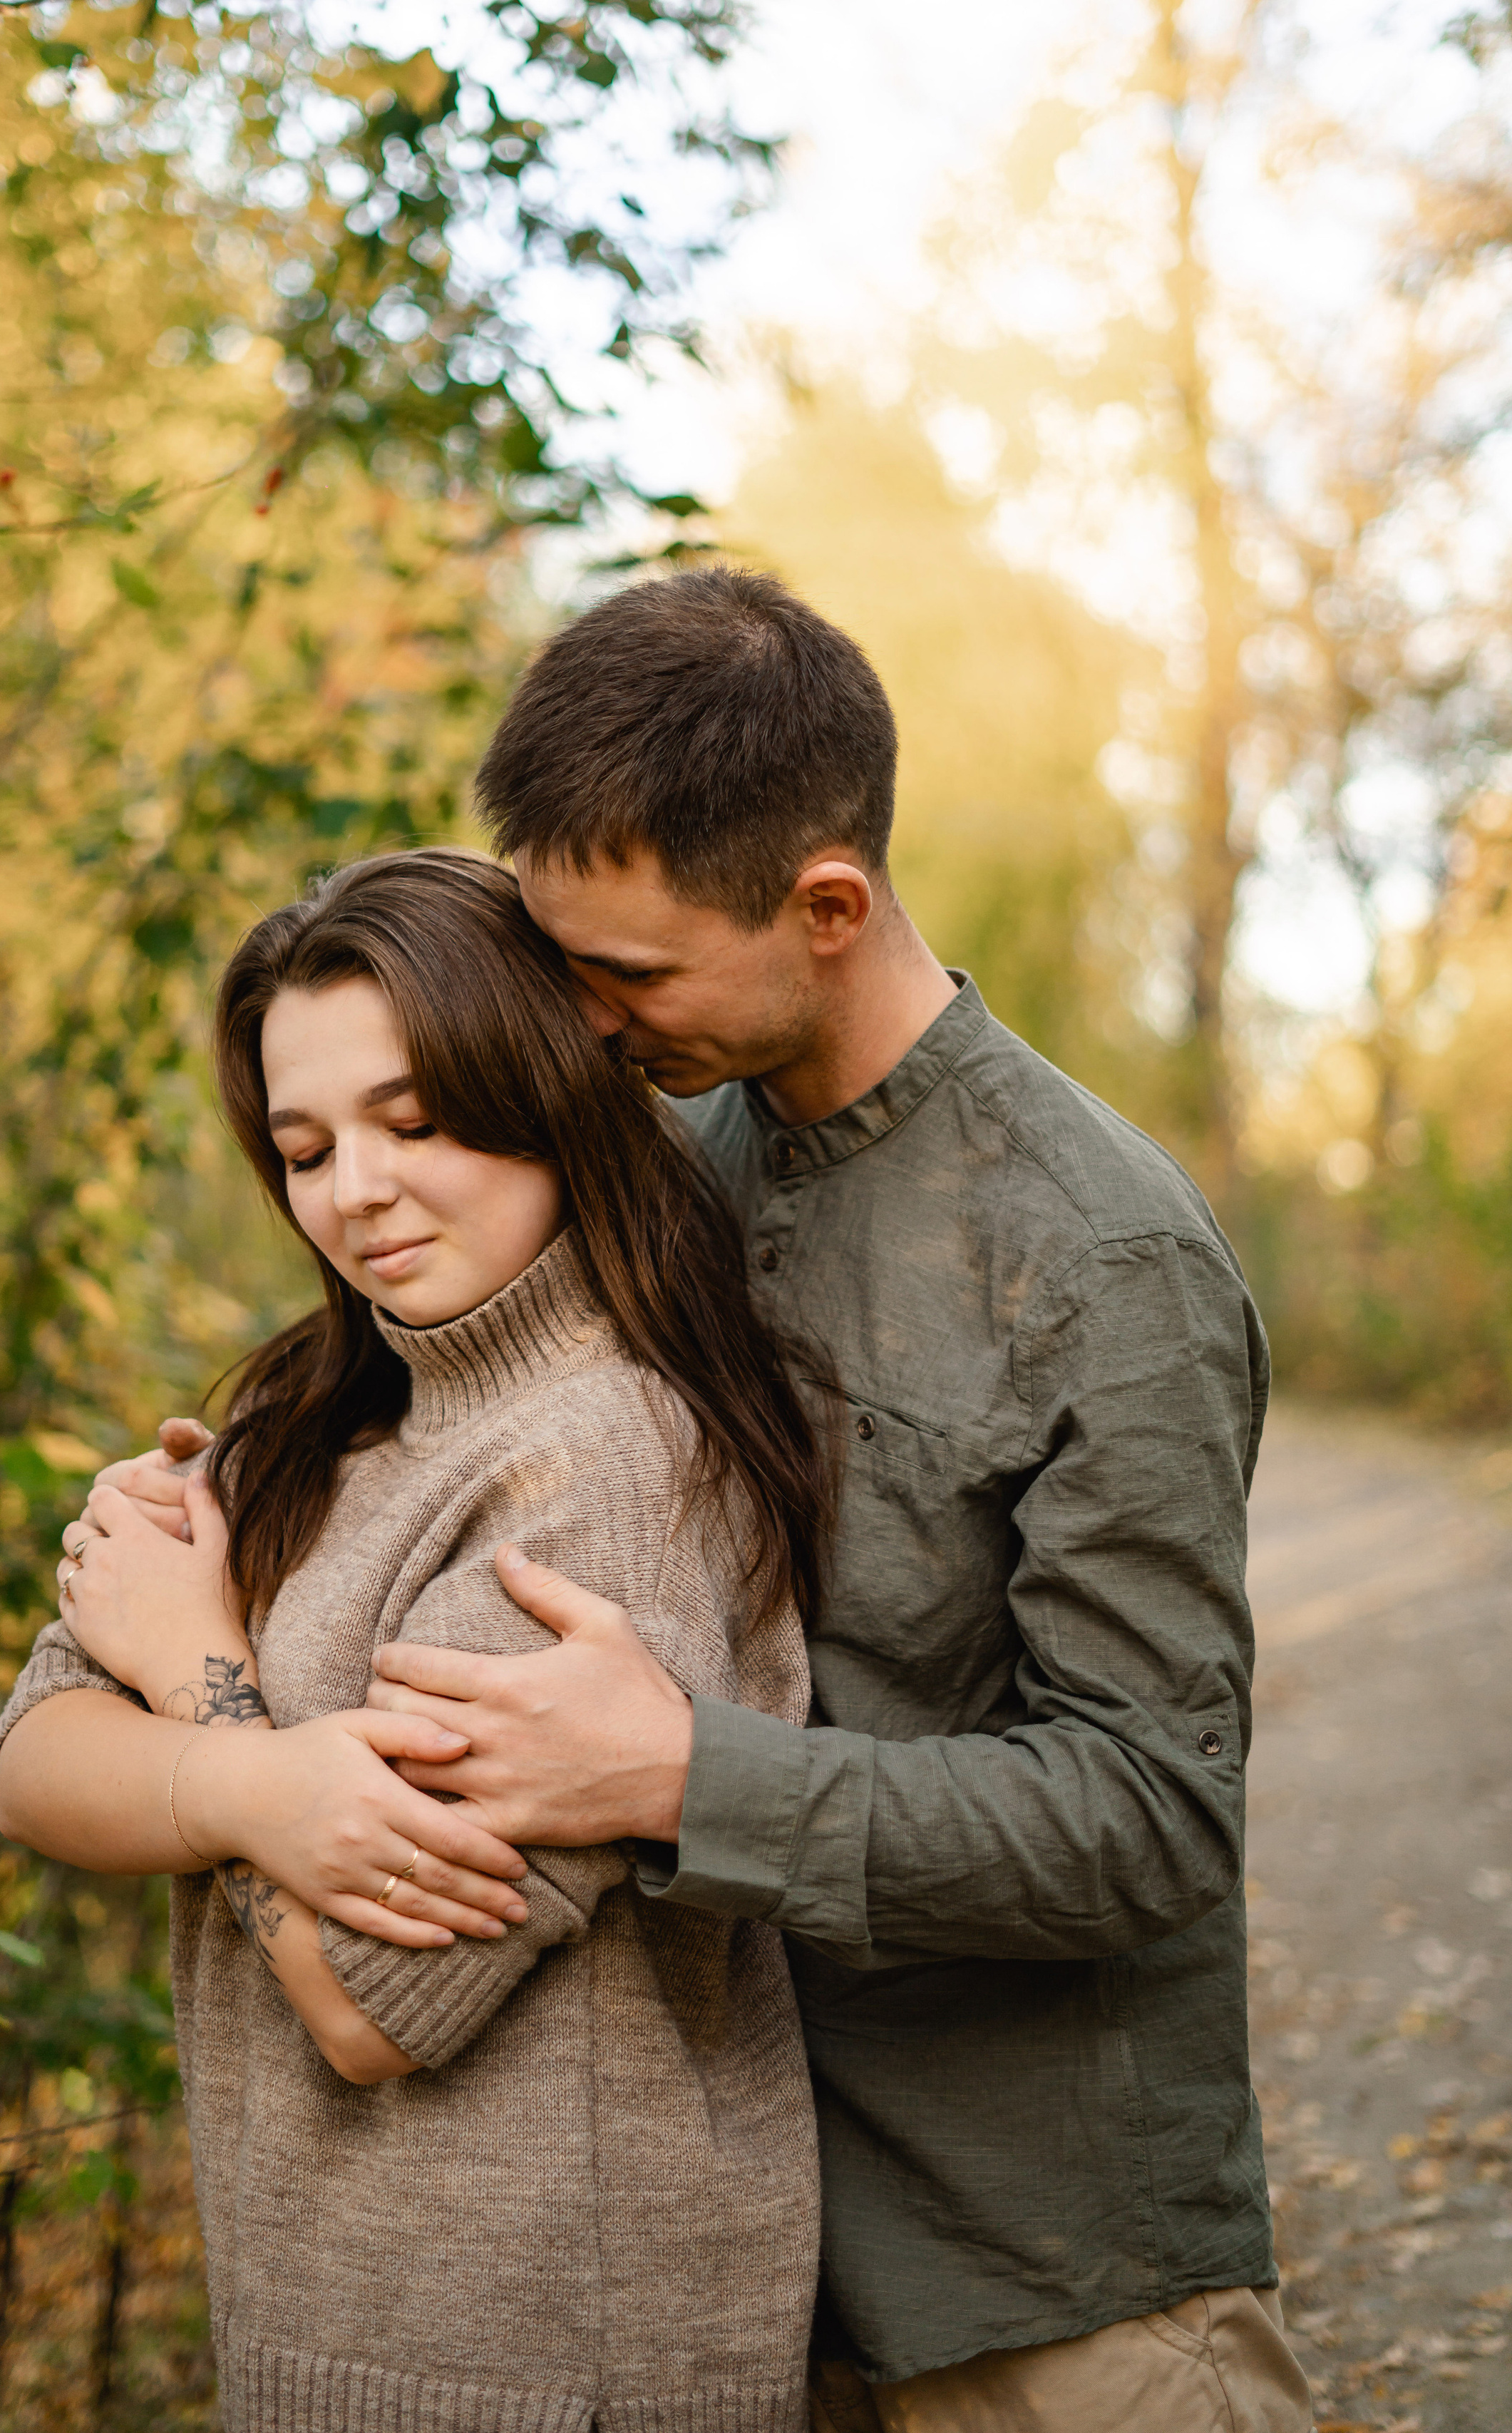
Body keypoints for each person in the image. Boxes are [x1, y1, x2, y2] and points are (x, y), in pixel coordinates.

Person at [166, 568, 1307, 2433]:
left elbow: (1153, 1815)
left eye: (626, 975)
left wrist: (689, 1780)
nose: (585, 1027)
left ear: (828, 905)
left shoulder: (1100, 1254)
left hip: (1047, 2288)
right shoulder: (659, 1163)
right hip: (735, 2281)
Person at [0, 849, 839, 2432]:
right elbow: (32, 1761)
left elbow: (370, 2004)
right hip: (320, 2333)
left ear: (543, 1095)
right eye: (305, 1147)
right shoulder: (302, 1417)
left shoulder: (605, 1463)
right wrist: (258, 1790)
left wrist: (195, 1682)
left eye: (416, 1121)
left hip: (559, 2368)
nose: (352, 1191)